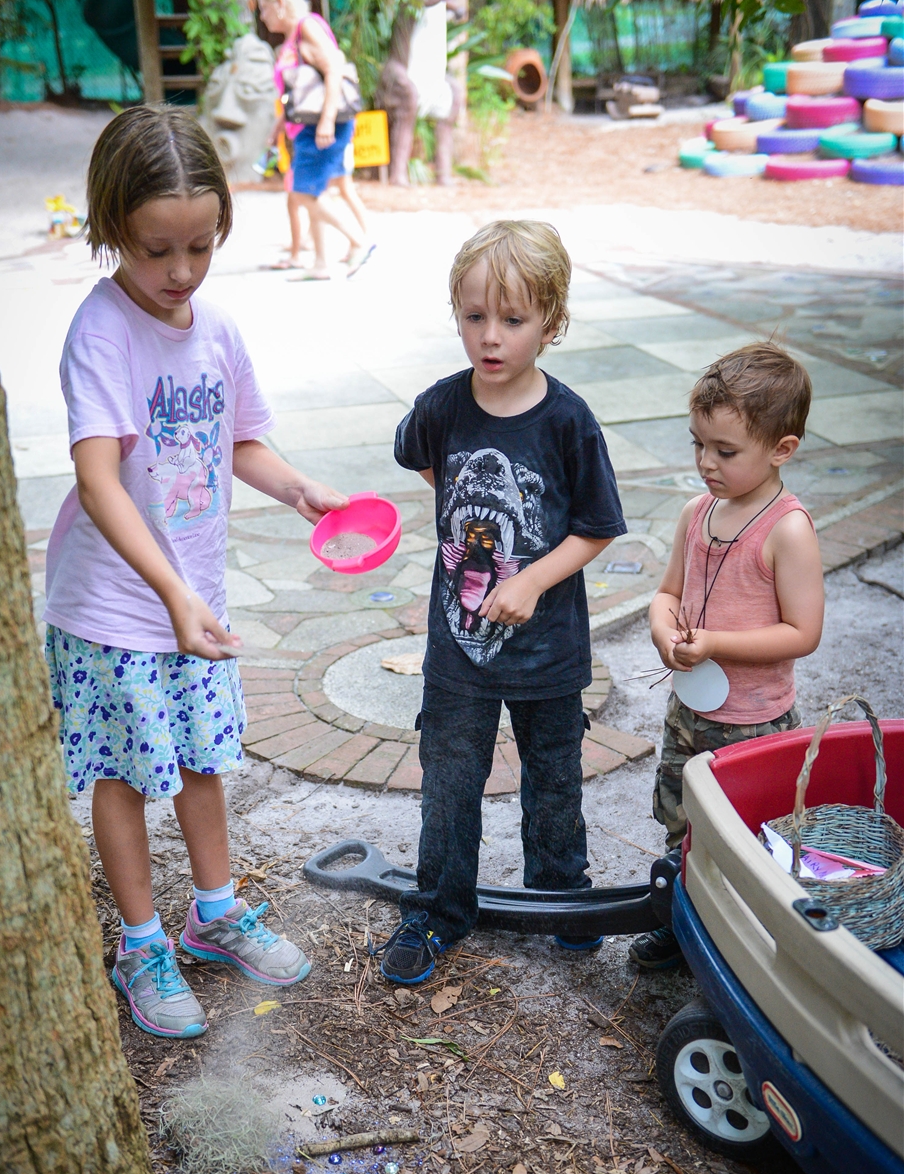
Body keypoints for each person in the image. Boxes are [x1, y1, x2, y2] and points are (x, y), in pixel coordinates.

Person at [44, 106, 348, 1038]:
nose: (180, 273)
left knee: (207, 760)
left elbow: (237, 438)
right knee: (130, 777)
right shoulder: (100, 334)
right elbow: (99, 480)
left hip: (193, 602)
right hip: (115, 609)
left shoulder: (211, 325)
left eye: (200, 247)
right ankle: (143, 941)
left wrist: (295, 486)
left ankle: (213, 913)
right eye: (155, 251)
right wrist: (170, 591)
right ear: (110, 230)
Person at [378, 220, 628, 985]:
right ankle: (438, 908)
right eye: (474, 316)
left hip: (550, 653)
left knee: (553, 778)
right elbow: (427, 463)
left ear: (551, 324)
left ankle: (562, 895)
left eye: (512, 320)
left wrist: (529, 579)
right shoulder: (441, 406)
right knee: (449, 782)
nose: (490, 337)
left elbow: (597, 528)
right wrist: (469, 541)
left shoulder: (568, 422)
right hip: (456, 656)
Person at [630, 343, 824, 973]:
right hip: (691, 710)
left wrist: (716, 643)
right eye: (698, 445)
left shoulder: (787, 530)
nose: (706, 463)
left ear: (781, 449)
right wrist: (665, 630)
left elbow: (803, 631)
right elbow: (665, 593)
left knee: (743, 833)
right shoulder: (698, 513)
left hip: (753, 722)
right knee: (683, 815)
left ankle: (733, 937)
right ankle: (682, 919)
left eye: (726, 451)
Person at [254, 0, 374, 281]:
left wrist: (327, 120)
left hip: (322, 127)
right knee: (312, 190)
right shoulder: (294, 37)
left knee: (304, 193)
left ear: (280, 2)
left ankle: (360, 242)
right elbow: (300, 92)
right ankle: (321, 262)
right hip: (306, 127)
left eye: (263, 7)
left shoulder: (308, 27)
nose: (262, 16)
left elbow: (334, 68)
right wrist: (279, 126)